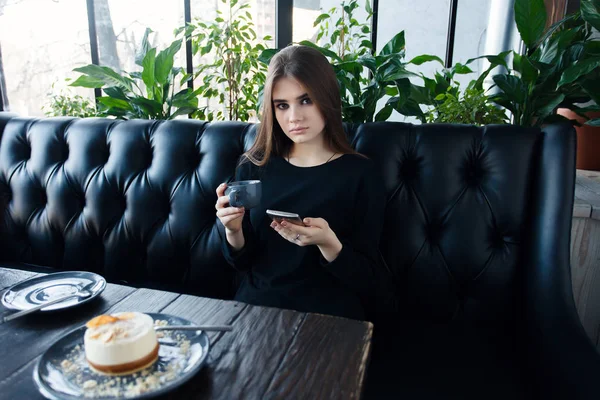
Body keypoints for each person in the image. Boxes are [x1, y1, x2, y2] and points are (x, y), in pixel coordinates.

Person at [215, 45, 387, 321]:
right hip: (257, 310)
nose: (294, 117)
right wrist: (233, 231)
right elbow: (241, 263)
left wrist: (329, 243)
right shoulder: (254, 166)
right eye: (282, 105)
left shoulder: (360, 174)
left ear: (327, 98)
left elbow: (369, 280)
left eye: (305, 100)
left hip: (329, 316)